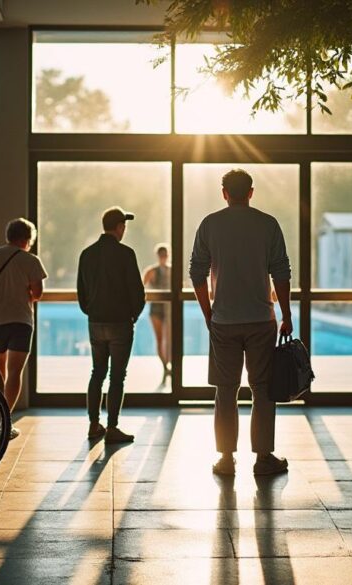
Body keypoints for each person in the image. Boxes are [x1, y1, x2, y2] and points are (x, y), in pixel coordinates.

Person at [190, 168, 292, 477]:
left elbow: (197, 273)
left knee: (225, 390)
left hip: (224, 321)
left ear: (224, 193)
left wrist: (209, 313)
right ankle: (263, 458)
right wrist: (286, 314)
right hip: (261, 318)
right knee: (262, 390)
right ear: (251, 192)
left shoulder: (210, 224)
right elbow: (281, 272)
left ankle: (225, 459)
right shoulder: (267, 224)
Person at [0, 218, 47, 440]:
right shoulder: (31, 260)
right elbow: (38, 294)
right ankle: (4, 420)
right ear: (26, 239)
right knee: (15, 372)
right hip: (21, 320)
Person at [77, 207, 146, 443]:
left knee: (97, 372)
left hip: (95, 321)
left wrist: (91, 312)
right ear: (119, 227)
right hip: (120, 323)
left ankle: (93, 424)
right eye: (123, 226)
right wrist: (133, 315)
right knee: (117, 376)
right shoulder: (126, 254)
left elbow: (81, 293)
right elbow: (137, 291)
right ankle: (112, 427)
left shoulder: (87, 254)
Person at [142, 243, 172, 385]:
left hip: (169, 309)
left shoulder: (172, 271)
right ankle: (165, 365)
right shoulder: (152, 271)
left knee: (169, 339)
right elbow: (141, 287)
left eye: (165, 255)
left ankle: (169, 364)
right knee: (160, 339)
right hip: (157, 309)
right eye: (161, 255)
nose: (163, 257)